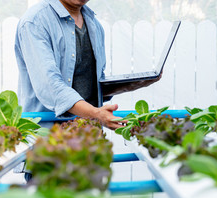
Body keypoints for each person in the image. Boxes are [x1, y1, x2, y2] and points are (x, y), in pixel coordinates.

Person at [15, 0, 161, 130]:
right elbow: (50, 87)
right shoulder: (35, 21)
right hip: (49, 141)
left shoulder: (94, 24)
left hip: (88, 137)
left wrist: (135, 83)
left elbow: (89, 85)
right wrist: (96, 114)